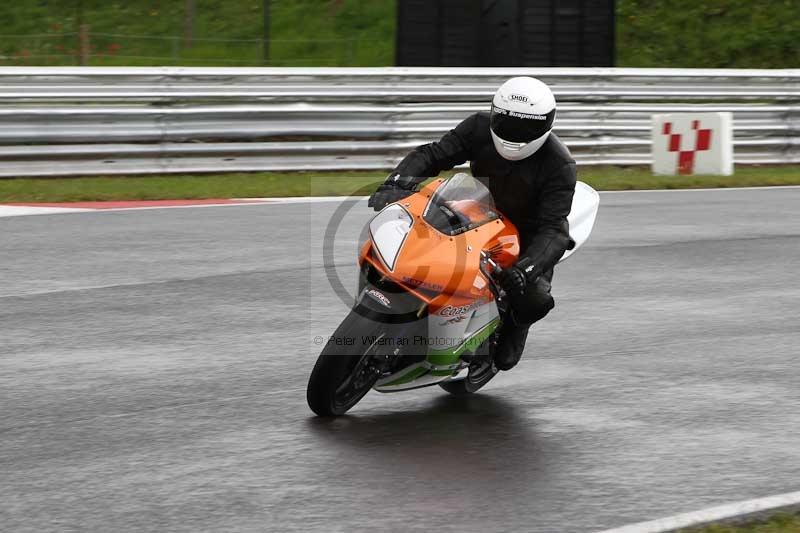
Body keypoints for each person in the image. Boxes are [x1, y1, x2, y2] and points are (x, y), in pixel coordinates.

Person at [367, 76, 576, 371]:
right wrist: (397, 182)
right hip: (478, 207)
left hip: (528, 233)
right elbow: (434, 154)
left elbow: (554, 229)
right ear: (493, 113)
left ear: (545, 126)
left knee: (533, 300)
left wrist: (524, 269)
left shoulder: (559, 164)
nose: (514, 134)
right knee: (420, 239)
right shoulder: (478, 127)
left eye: (526, 127)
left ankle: (514, 327)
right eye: (507, 122)